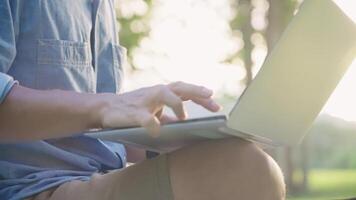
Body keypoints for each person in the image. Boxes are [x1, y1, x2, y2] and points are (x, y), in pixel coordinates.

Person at [0, 1, 286, 200]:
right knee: (244, 170)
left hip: (99, 175)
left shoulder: (103, 8)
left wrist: (174, 136)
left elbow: (92, 129)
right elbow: (98, 110)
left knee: (237, 154)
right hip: (30, 188)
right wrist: (106, 106)